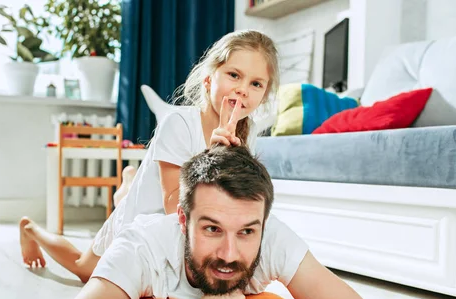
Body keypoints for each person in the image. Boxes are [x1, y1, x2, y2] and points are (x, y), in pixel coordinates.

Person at [44, 145, 392, 299]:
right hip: (132, 221)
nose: (229, 253)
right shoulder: (141, 246)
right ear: (184, 220)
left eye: (245, 232)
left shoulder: (272, 237)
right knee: (83, 260)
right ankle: (114, 193)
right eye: (212, 228)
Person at [19, 29, 280, 282]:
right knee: (85, 270)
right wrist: (214, 154)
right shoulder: (178, 123)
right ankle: (31, 230)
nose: (243, 89)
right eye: (234, 75)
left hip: (191, 229)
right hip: (151, 214)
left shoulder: (249, 131)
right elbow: (171, 206)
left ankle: (128, 184)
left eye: (256, 83)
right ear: (208, 79)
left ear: (264, 94)